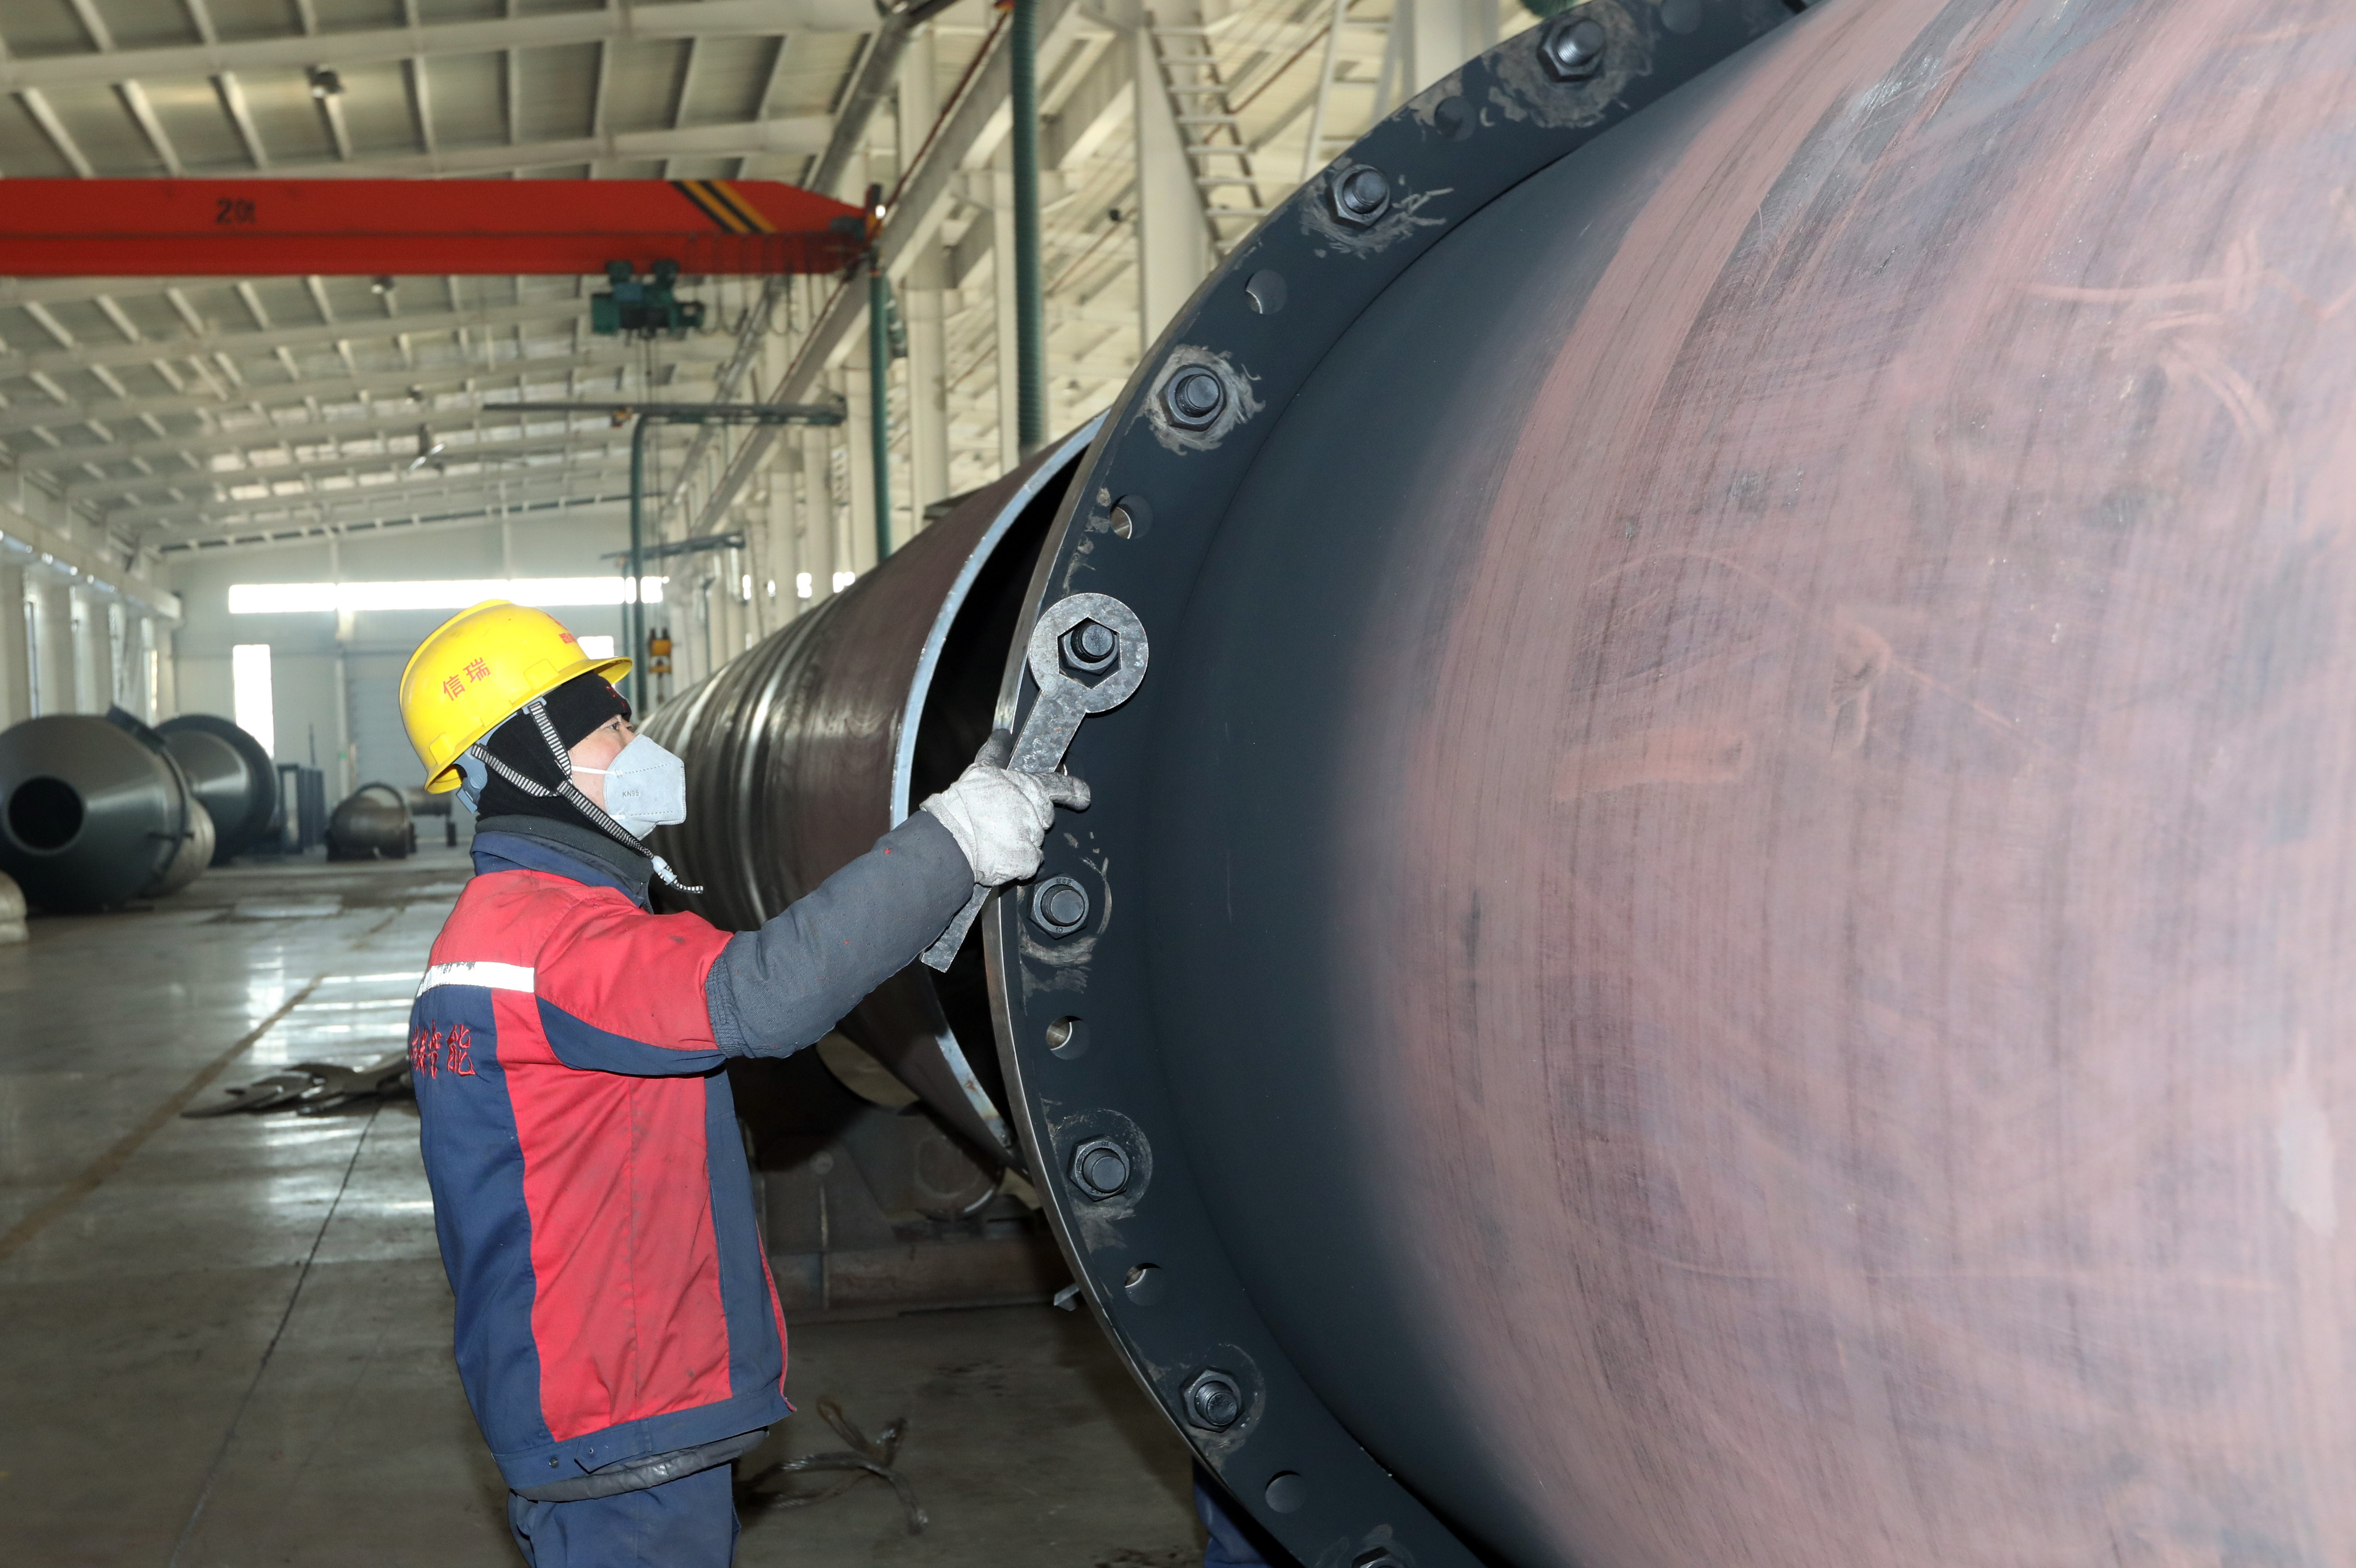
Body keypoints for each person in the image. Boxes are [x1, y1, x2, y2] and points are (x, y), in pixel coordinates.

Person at [396, 600, 1083, 1567]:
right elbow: (765, 995)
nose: (639, 746)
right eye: (612, 727)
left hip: (588, 1403)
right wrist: (950, 843)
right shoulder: (552, 940)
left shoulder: (506, 928)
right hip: (622, 1422)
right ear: (527, 755)